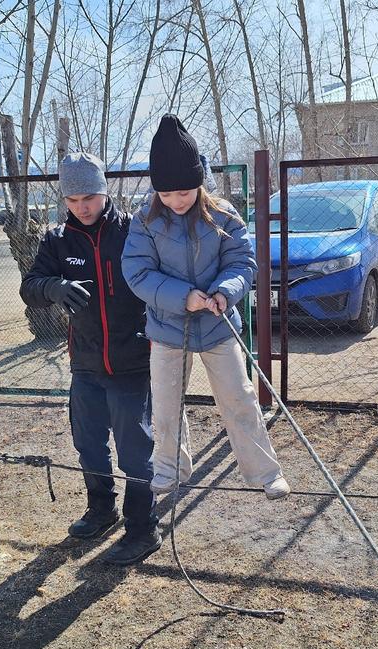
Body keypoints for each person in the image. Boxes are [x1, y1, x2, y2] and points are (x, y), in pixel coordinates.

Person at [122, 115, 291, 500]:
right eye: (166, 194)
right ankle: (169, 469)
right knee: (165, 405)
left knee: (239, 398)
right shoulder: (144, 221)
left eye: (184, 192)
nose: (176, 201)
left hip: (218, 325)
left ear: (198, 182)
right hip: (167, 329)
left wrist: (224, 292)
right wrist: (183, 296)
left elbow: (242, 262)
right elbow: (137, 273)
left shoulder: (224, 214)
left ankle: (265, 472)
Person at [20, 152, 161, 565]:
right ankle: (101, 509)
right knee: (88, 444)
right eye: (73, 199)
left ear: (104, 192)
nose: (82, 207)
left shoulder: (133, 231)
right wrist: (54, 287)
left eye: (89, 197)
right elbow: (30, 287)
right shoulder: (57, 239)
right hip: (85, 364)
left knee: (135, 451)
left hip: (133, 362)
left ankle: (143, 529)